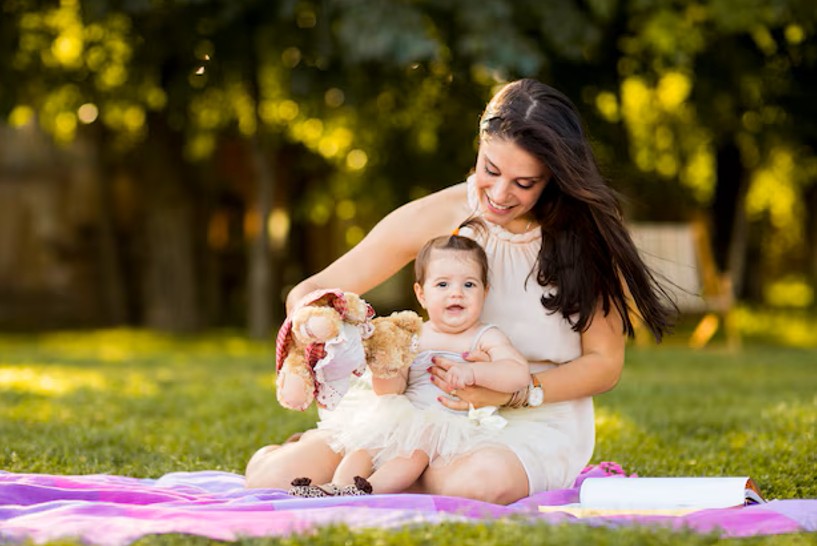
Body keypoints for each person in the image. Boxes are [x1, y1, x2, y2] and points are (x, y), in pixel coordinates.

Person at [245, 78, 675, 504]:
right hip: (415, 404)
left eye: (524, 183)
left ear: (555, 177)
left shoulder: (586, 240)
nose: (500, 195)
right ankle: (335, 460)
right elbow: (315, 289)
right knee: (276, 480)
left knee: (478, 486)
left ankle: (391, 478)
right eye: (491, 170)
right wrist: (314, 324)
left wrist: (516, 391)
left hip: (529, 414)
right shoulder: (443, 213)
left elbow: (604, 364)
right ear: (479, 147)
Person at [289, 233, 530, 497]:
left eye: (469, 284)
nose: (456, 293)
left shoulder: (485, 336)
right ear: (421, 294)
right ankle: (337, 487)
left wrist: (475, 372)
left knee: (416, 451)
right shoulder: (415, 336)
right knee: (365, 446)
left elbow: (517, 373)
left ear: (485, 292)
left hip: (446, 426)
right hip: (404, 415)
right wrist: (385, 368)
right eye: (442, 284)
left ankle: (369, 491)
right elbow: (391, 390)